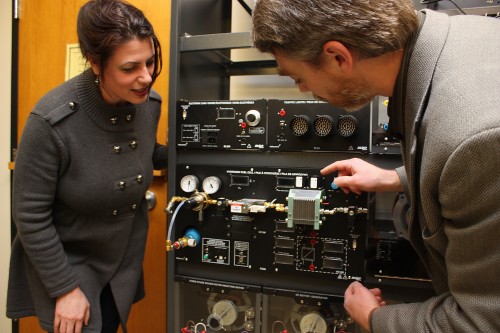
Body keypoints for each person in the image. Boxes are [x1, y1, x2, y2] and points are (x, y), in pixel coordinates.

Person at [252, 0, 500, 332]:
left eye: (299, 77)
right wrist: (396, 177)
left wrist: (374, 317)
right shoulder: (463, 34)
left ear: (338, 57)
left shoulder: (471, 137)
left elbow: (480, 322)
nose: (304, 91)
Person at [6, 0, 166, 332]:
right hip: (68, 266)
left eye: (150, 62)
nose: (146, 77)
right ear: (95, 62)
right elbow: (30, 215)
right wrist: (64, 289)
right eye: (129, 67)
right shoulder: (51, 121)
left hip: (120, 261)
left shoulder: (148, 104)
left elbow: (140, 153)